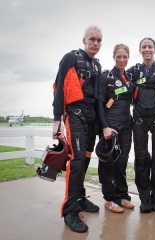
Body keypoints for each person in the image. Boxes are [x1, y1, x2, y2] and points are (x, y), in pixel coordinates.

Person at [52, 25, 102, 233]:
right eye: (92, 39)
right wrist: (57, 120)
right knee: (77, 160)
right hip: (75, 117)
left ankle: (80, 198)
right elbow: (58, 87)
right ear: (84, 40)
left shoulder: (97, 66)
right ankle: (70, 211)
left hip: (91, 120)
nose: (95, 43)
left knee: (87, 158)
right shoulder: (71, 58)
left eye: (99, 41)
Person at [127, 38, 155, 213]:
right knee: (142, 159)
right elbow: (118, 78)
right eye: (144, 47)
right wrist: (105, 73)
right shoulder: (134, 71)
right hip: (139, 120)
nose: (147, 50)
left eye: (150, 47)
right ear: (140, 50)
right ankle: (145, 200)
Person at [95, 43, 134, 213]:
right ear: (114, 57)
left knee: (122, 162)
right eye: (119, 56)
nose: (122, 59)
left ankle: (122, 195)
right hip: (110, 126)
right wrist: (104, 127)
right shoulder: (106, 76)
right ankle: (110, 198)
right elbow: (99, 103)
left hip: (127, 126)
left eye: (125, 56)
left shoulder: (130, 77)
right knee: (108, 163)